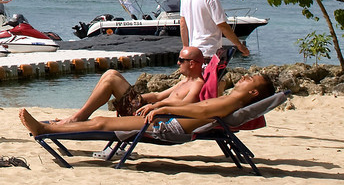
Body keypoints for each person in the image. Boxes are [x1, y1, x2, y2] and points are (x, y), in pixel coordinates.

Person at [20, 72, 275, 139]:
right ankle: (50, 128)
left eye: (249, 79)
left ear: (253, 91)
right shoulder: (231, 98)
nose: (244, 77)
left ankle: (46, 130)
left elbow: (203, 111)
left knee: (103, 123)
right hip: (172, 120)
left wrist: (166, 109)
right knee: (103, 122)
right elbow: (204, 110)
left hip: (171, 125)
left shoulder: (233, 100)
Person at [51, 46, 207, 124]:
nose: (178, 63)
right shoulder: (185, 81)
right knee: (110, 73)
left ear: (192, 64)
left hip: (154, 116)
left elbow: (186, 105)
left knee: (111, 78)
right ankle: (80, 115)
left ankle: (79, 117)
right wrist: (140, 99)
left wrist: (156, 106)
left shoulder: (197, 85)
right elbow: (158, 95)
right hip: (146, 108)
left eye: (181, 60)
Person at [180, 0, 249, 62]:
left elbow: (183, 23)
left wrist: (185, 47)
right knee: (213, 77)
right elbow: (222, 25)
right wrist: (239, 45)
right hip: (209, 51)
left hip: (193, 52)